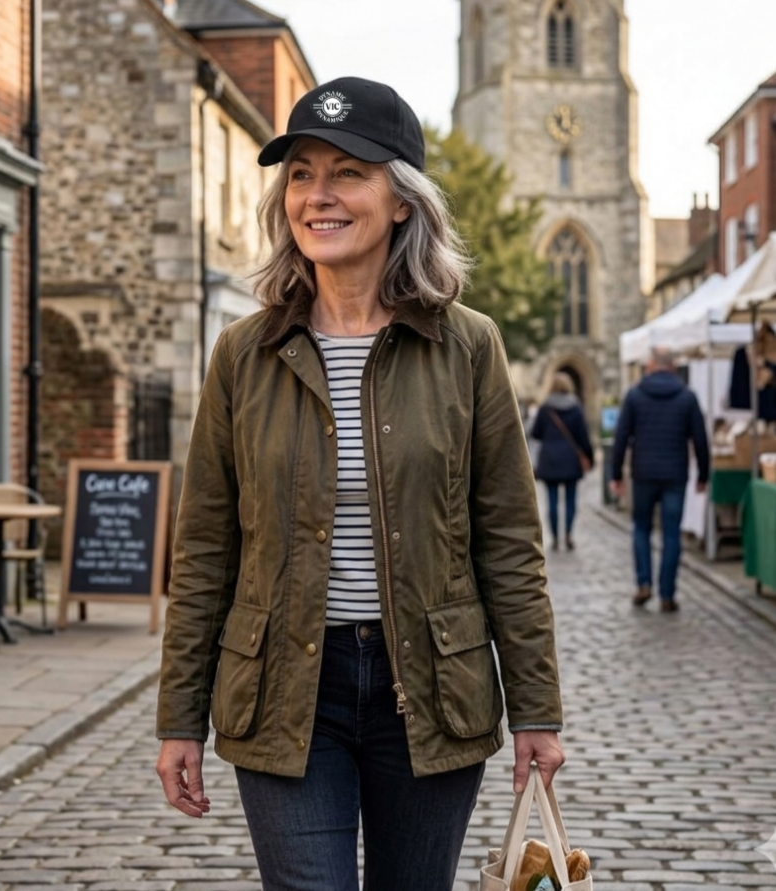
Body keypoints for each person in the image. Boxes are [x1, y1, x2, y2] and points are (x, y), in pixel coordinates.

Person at [155, 76, 564, 891]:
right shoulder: (243, 353)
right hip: (282, 685)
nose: (318, 195)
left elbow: (508, 542)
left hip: (432, 679)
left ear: (402, 199)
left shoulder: (467, 347)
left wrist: (537, 709)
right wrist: (178, 717)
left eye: (347, 172)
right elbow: (205, 547)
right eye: (301, 173)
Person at [610, 346, 710, 612]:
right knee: (671, 533)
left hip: (643, 473)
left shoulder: (635, 395)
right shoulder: (687, 397)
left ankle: (644, 583)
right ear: (674, 367)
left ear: (651, 365)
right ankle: (667, 593)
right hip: (675, 474)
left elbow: (621, 438)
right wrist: (703, 474)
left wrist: (616, 474)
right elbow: (700, 439)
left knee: (641, 528)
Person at [531, 373, 594, 551]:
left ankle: (555, 538)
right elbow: (583, 436)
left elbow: (536, 433)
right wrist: (589, 458)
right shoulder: (575, 407)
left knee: (552, 500)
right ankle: (568, 534)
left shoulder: (545, 408)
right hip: (571, 460)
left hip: (550, 459)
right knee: (570, 499)